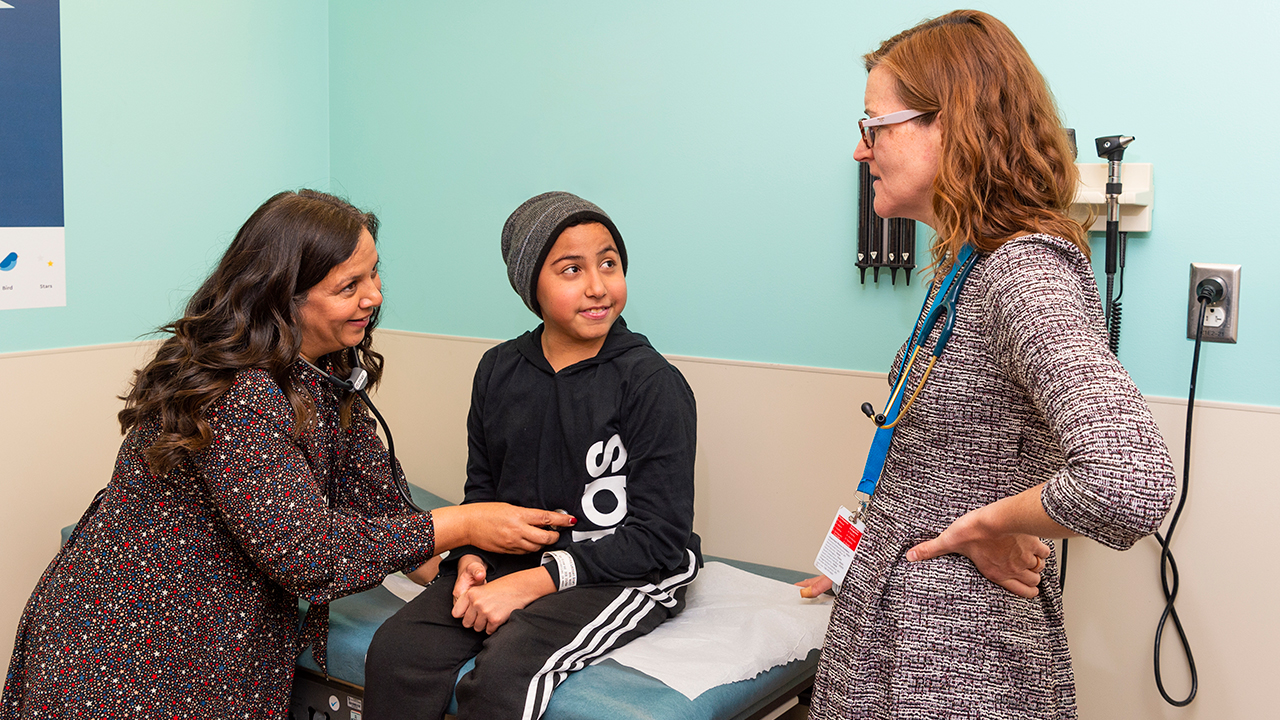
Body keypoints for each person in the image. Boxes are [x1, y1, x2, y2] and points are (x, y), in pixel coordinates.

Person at [1, 190, 573, 719]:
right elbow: (308, 557)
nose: (373, 295)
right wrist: (464, 521)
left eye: (374, 273)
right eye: (348, 286)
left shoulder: (322, 373)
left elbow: (376, 502)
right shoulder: (238, 392)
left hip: (219, 648)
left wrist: (451, 565)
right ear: (283, 296)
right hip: (131, 656)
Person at [799, 11, 1177, 719]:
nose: (861, 150)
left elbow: (1130, 480)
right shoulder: (968, 265)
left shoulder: (1025, 274)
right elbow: (938, 462)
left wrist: (987, 525)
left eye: (873, 126)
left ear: (954, 125)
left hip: (955, 660)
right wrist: (861, 554)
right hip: (900, 622)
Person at [364, 191, 701, 720]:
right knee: (397, 650)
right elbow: (483, 493)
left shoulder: (651, 383)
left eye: (608, 264)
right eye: (571, 270)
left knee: (505, 671)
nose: (597, 286)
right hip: (511, 560)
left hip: (622, 570)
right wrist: (470, 557)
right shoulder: (498, 370)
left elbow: (660, 539)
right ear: (531, 287)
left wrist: (532, 582)